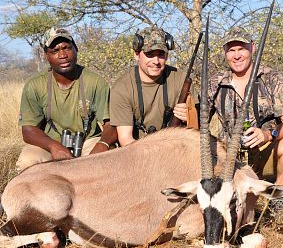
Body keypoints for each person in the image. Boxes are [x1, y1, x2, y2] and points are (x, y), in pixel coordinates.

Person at [207, 27, 283, 222]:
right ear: (225, 53)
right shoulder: (215, 82)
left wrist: (269, 135)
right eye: (231, 50)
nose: (236, 55)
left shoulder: (271, 78)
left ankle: (277, 201)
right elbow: (197, 121)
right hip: (230, 158)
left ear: (252, 47)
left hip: (265, 152)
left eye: (241, 48)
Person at [17, 27, 117, 172]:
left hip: (88, 141)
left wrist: (102, 145)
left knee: (108, 157)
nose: (62, 55)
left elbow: (111, 124)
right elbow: (28, 130)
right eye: (54, 51)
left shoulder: (95, 82)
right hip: (51, 143)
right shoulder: (35, 85)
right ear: (46, 55)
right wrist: (54, 146)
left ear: (76, 49)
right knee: (28, 161)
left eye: (67, 48)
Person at [110, 26, 197, 146]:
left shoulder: (181, 79)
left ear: (167, 56)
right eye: (149, 54)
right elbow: (126, 139)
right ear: (136, 54)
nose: (156, 61)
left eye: (161, 54)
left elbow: (198, 129)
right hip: (137, 150)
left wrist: (190, 117)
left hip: (176, 148)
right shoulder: (122, 87)